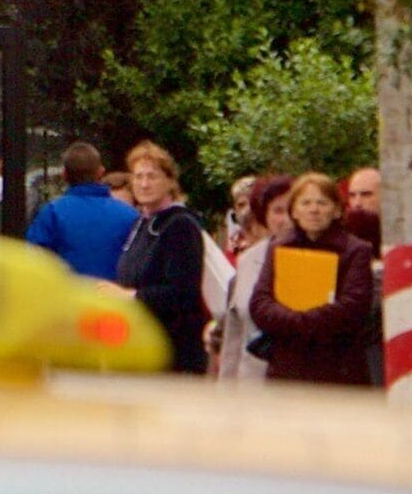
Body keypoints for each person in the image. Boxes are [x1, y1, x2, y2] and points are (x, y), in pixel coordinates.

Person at [245, 171, 382, 387]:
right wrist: (291, 319)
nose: (314, 210)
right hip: (286, 371)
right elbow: (260, 303)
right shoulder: (278, 248)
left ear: (337, 210)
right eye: (306, 203)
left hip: (338, 371)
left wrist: (301, 321)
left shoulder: (356, 250)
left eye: (322, 203)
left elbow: (353, 307)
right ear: (295, 211)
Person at [115, 141, 213, 375]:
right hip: (142, 344)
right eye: (138, 177)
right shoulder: (142, 222)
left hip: (173, 352)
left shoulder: (180, 225)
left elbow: (184, 292)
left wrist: (131, 296)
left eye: (152, 176)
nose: (144, 184)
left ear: (170, 181)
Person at [216, 176, 294, 381]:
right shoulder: (248, 260)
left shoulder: (325, 257)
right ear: (264, 215)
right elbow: (234, 334)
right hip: (252, 386)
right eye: (277, 211)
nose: (286, 218)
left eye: (292, 209)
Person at [29, 142, 142, 278]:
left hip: (67, 295)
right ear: (101, 172)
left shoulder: (52, 213)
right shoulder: (130, 215)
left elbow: (34, 260)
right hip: (114, 296)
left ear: (64, 175)